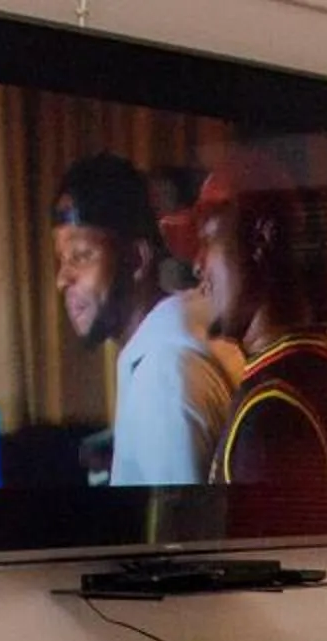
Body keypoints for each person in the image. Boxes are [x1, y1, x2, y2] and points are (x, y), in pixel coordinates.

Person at [167, 153, 327, 486]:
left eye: (207, 240)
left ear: (261, 237)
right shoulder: (326, 361)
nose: (197, 265)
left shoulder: (271, 413)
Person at [50, 153, 238, 486]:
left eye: (80, 256)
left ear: (137, 260)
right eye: (61, 260)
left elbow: (183, 534)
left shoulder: (163, 378)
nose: (62, 280)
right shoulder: (186, 325)